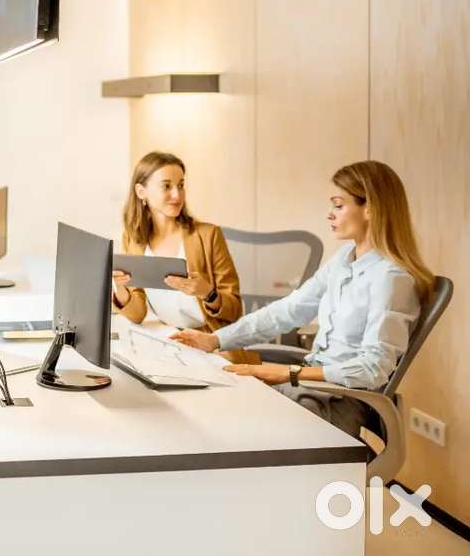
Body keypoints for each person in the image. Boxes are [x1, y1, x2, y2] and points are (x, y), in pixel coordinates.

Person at [172, 160, 432, 437]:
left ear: (371, 208)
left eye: (339, 205)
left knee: (232, 424)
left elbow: (373, 369)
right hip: (310, 384)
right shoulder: (344, 258)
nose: (330, 214)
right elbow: (289, 310)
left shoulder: (391, 278)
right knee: (216, 404)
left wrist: (289, 373)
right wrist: (216, 340)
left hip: (339, 399)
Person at [112, 151, 242, 332]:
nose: (177, 195)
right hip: (168, 337)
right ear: (141, 192)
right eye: (166, 186)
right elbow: (138, 314)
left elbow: (235, 310)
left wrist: (208, 293)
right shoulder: (133, 239)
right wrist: (119, 287)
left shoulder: (209, 235)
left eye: (181, 185)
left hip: (209, 339)